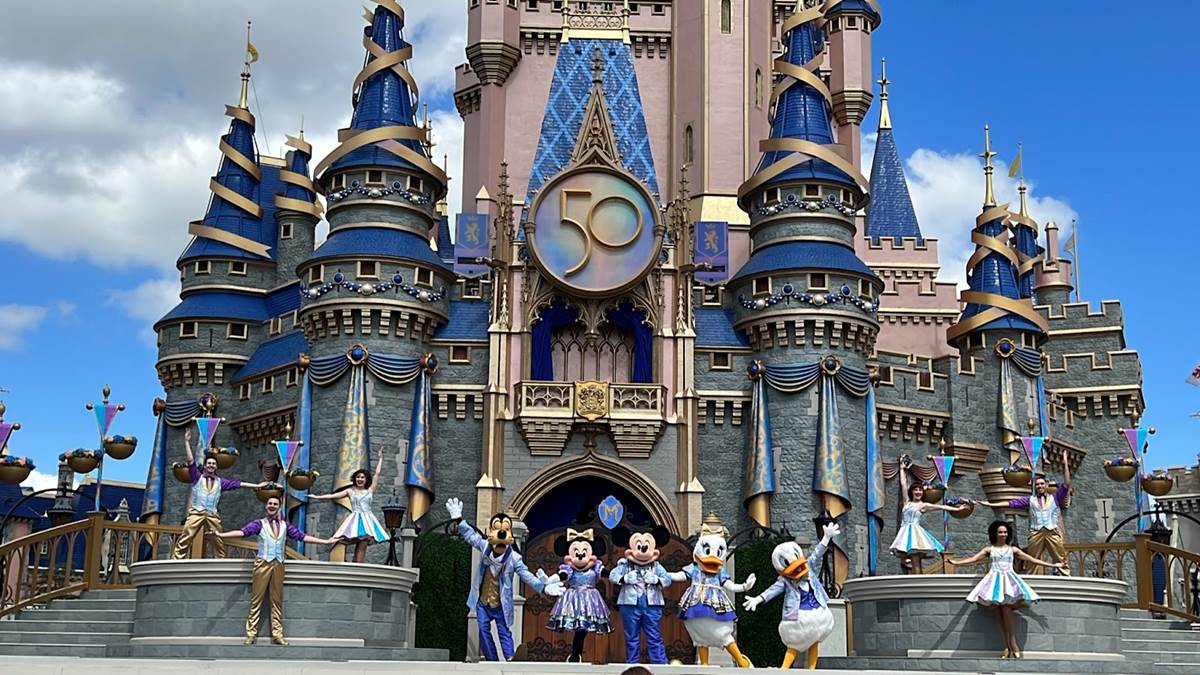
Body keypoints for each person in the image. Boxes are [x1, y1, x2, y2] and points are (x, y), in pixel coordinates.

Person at [445, 497, 562, 662]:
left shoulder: (514, 558)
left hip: (501, 603)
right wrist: (458, 520)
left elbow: (526, 575)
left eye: (505, 529)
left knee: (504, 630)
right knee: (483, 630)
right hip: (482, 601)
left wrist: (542, 587)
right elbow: (471, 536)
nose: (501, 533)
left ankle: (510, 657)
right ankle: (491, 659)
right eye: (497, 528)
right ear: (490, 532)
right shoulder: (485, 547)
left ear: (510, 535)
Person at [209, 496, 337, 644]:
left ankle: (278, 635)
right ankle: (251, 634)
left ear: (279, 507)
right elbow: (242, 532)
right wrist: (221, 535)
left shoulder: (285, 525)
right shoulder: (259, 524)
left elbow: (302, 537)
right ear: (266, 506)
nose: (272, 505)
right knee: (257, 599)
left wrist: (325, 541)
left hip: (278, 564)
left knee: (276, 600)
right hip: (263, 563)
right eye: (270, 503)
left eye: (275, 504)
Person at [948, 519, 1067, 659]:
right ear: (995, 533)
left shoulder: (1013, 550)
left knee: (1006, 609)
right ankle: (1006, 647)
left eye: (1005, 532)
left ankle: (1013, 644)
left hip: (1009, 581)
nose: (1003, 534)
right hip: (994, 581)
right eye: (1000, 532)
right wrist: (957, 563)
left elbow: (1032, 559)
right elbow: (974, 559)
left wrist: (1053, 565)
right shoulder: (989, 550)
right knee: (999, 612)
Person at [743, 522, 839, 670]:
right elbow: (772, 590)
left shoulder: (809, 569)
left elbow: (817, 554)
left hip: (818, 613)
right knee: (794, 644)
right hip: (798, 616)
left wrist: (826, 538)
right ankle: (784, 669)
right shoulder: (786, 581)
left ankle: (812, 670)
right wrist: (758, 599)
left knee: (815, 641)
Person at [172, 428, 269, 559]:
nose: (211, 465)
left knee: (217, 536)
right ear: (205, 465)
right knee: (187, 534)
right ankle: (177, 557)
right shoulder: (197, 477)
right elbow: (190, 461)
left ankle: (220, 558)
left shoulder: (220, 482)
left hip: (212, 514)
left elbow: (238, 484)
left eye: (213, 464)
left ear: (216, 467)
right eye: (209, 463)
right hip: (197, 512)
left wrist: (256, 486)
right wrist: (186, 442)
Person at [670, 518, 756, 668]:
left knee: (722, 634)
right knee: (700, 635)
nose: (712, 558)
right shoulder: (694, 569)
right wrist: (665, 575)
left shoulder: (720, 573)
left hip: (715, 607)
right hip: (695, 605)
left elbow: (730, 585)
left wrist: (744, 586)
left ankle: (740, 660)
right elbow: (680, 576)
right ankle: (704, 663)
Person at [977, 461, 1071, 574]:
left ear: (1046, 485)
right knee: (1032, 558)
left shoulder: (1055, 497)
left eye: (1042, 484)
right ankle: (1031, 578)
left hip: (1052, 531)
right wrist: (990, 504)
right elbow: (1011, 503)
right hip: (1036, 532)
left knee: (1060, 556)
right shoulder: (1030, 499)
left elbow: (1066, 484)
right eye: (1037, 484)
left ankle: (1065, 575)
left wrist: (1065, 463)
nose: (1040, 486)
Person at [609, 522, 674, 665]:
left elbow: (667, 579)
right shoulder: (624, 565)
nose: (643, 551)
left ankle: (659, 663)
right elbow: (612, 576)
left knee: (654, 635)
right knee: (631, 636)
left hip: (652, 604)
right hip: (630, 604)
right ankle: (632, 663)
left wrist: (656, 580)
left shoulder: (656, 566)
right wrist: (624, 579)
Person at [309, 448, 388, 563]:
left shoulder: (370, 490)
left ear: (366, 479)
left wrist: (380, 458)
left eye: (362, 477)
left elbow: (377, 474)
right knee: (342, 539)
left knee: (363, 542)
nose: (360, 479)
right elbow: (333, 496)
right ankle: (337, 557)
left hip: (367, 519)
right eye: (358, 477)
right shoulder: (350, 491)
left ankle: (358, 565)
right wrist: (317, 497)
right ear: (355, 479)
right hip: (355, 518)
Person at [547, 526, 612, 662]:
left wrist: (620, 576)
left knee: (584, 627)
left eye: (584, 551)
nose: (581, 555)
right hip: (574, 599)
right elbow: (563, 575)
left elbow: (606, 573)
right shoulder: (569, 569)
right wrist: (552, 579)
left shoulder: (595, 567)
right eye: (576, 552)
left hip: (591, 599)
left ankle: (577, 654)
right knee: (580, 626)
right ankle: (576, 654)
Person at [891, 481, 968, 573]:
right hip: (905, 532)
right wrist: (902, 472)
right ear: (911, 492)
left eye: (920, 490)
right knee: (910, 556)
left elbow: (941, 507)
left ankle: (917, 579)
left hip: (915, 533)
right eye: (916, 490)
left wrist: (957, 509)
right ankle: (914, 573)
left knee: (915, 558)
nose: (918, 492)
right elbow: (903, 485)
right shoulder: (907, 502)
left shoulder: (923, 505)